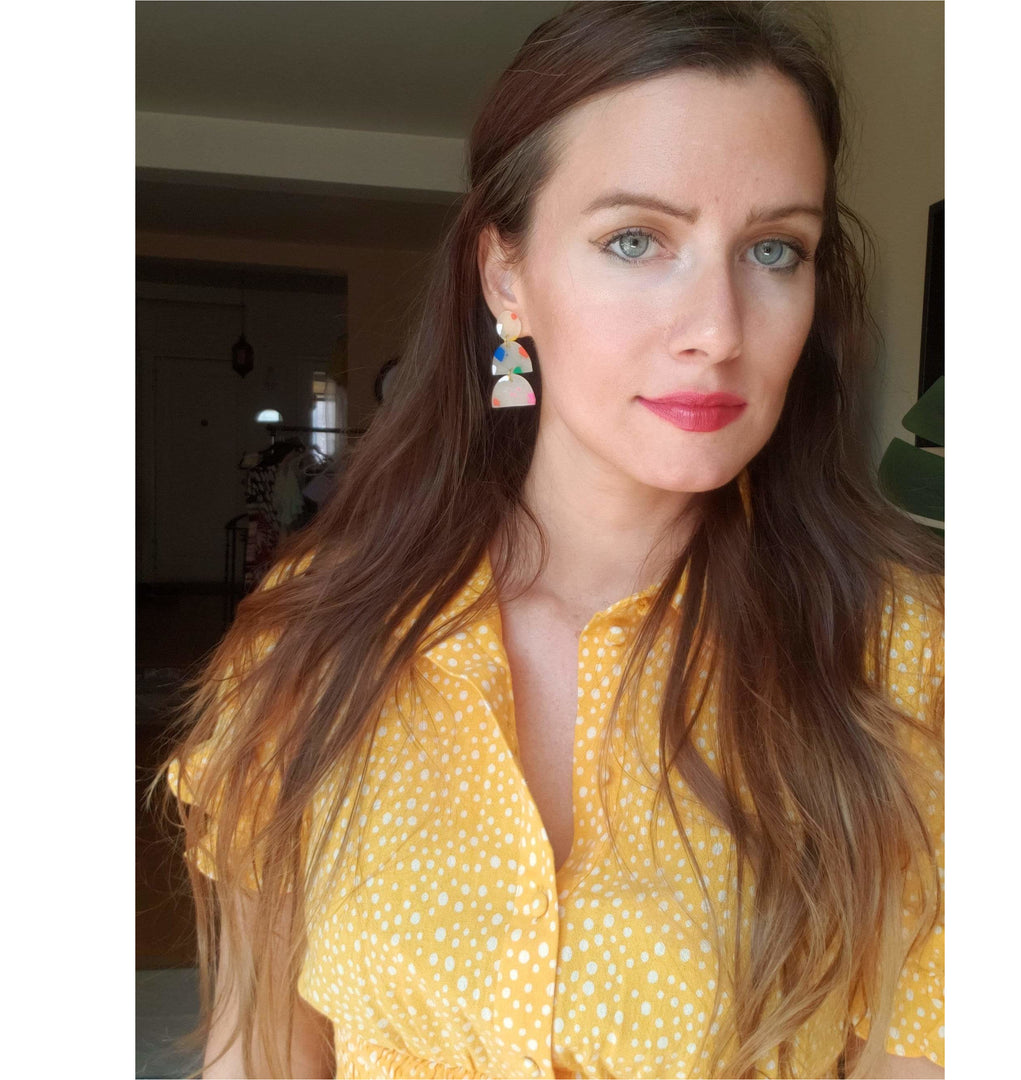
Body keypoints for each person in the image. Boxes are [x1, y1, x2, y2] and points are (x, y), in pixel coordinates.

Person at [159, 3, 944, 1077]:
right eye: (636, 239)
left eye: (774, 249)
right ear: (506, 277)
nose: (718, 330)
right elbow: (260, 1052)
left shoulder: (907, 655)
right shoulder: (319, 630)